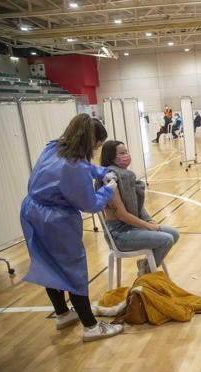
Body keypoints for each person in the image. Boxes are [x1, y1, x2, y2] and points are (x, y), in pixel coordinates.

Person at [20, 113, 123, 342]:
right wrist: (108, 188)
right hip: (55, 219)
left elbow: (84, 165)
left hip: (31, 210)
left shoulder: (54, 147)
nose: (96, 150)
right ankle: (91, 326)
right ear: (90, 142)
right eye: (97, 145)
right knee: (73, 269)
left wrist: (101, 172)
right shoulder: (73, 166)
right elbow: (90, 204)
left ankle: (63, 314)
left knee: (49, 264)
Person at [100, 140, 180, 275]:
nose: (126, 155)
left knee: (174, 234)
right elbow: (122, 215)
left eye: (126, 152)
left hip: (132, 227)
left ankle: (144, 266)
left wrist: (149, 221)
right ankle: (145, 276)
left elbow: (138, 207)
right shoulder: (109, 179)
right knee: (167, 239)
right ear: (111, 157)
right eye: (122, 153)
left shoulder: (126, 176)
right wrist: (148, 226)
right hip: (119, 234)